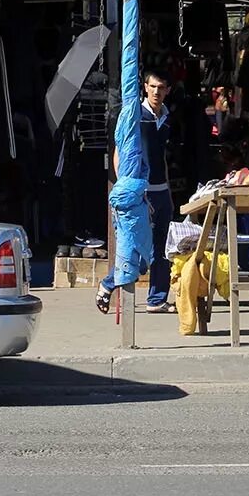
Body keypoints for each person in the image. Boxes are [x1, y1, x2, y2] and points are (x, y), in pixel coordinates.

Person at [98, 70, 177, 314]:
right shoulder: (135, 115)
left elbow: (161, 157)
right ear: (144, 87)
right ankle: (108, 284)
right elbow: (119, 151)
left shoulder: (166, 117)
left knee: (162, 247)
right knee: (136, 248)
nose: (156, 92)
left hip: (161, 190)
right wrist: (128, 187)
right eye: (153, 87)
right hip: (139, 191)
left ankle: (157, 299)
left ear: (167, 90)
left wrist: (168, 190)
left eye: (161, 87)